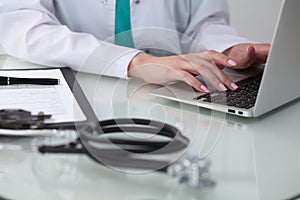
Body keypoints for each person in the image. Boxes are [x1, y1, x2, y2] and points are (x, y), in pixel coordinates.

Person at [0, 0, 269, 93]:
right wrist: (135, 62)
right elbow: (23, 27)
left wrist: (227, 50)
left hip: (164, 94)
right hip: (78, 91)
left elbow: (201, 21)